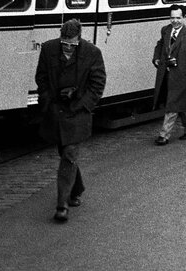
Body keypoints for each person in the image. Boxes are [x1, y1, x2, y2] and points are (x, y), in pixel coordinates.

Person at [35, 19, 106, 223]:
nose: (67, 48)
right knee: (66, 153)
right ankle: (77, 189)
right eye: (64, 43)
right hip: (56, 112)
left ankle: (62, 204)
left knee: (69, 154)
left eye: (72, 44)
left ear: (79, 39)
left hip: (77, 113)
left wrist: (81, 103)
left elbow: (98, 84)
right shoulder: (49, 49)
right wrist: (48, 98)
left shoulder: (92, 53)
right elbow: (41, 78)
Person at [151, 4, 186, 145]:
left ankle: (164, 135)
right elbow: (160, 45)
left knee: (172, 104)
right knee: (181, 103)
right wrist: (156, 57)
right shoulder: (166, 30)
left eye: (178, 18)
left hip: (183, 76)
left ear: (184, 18)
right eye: (172, 18)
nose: (175, 21)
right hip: (167, 74)